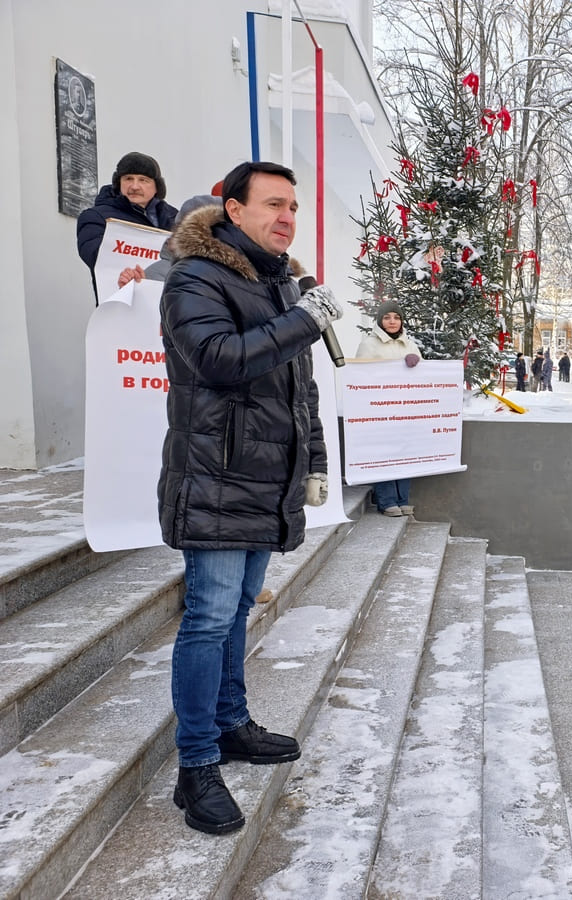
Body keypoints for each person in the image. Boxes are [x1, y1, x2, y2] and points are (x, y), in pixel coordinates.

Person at [158, 161, 339, 834]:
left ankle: (231, 723)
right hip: (216, 477)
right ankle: (196, 765)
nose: (287, 217)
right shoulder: (194, 278)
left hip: (268, 479)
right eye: (272, 204)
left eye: (292, 206)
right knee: (208, 618)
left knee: (236, 610)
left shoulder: (281, 284)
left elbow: (299, 391)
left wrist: (314, 460)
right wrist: (303, 321)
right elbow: (219, 358)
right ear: (233, 211)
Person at [76, 151, 179, 299]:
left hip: (169, 304)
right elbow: (95, 256)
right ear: (119, 183)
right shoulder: (96, 217)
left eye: (143, 180)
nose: (135, 186)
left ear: (157, 187)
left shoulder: (176, 220)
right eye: (128, 178)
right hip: (119, 301)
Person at [355, 301, 422, 516]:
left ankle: (403, 499)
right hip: (380, 410)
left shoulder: (409, 345)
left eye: (396, 317)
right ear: (379, 321)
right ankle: (386, 500)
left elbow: (423, 376)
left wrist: (417, 363)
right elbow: (360, 376)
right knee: (384, 453)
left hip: (405, 409)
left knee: (404, 453)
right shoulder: (369, 345)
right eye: (387, 317)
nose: (392, 321)